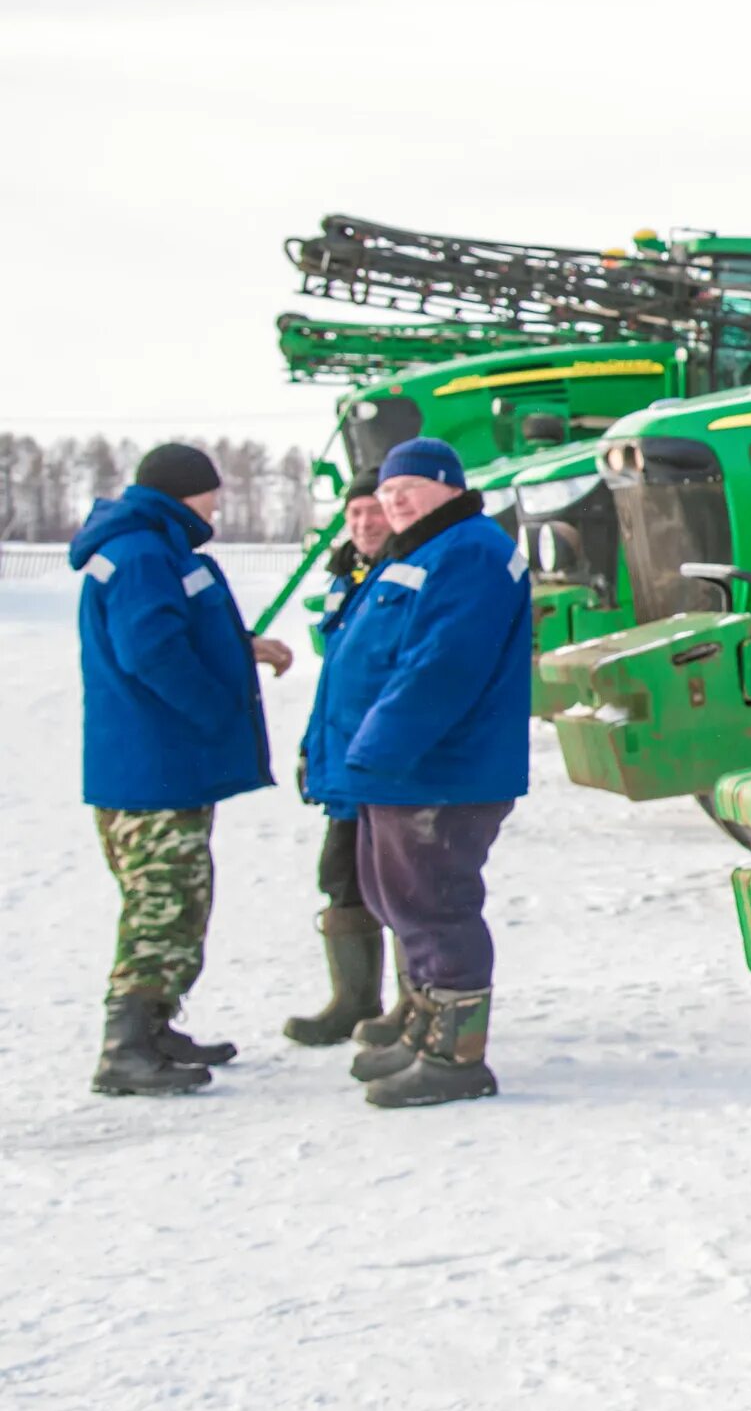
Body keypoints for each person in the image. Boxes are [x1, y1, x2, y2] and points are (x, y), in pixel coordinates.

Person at [306, 437, 530, 1108]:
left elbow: (441, 664)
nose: (394, 498)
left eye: (412, 487)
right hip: (397, 768)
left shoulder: (468, 550)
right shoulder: (424, 550)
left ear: (449, 486)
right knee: (395, 898)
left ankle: (456, 1057)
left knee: (435, 904)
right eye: (388, 489)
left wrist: (379, 746)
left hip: (437, 769)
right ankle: (424, 1030)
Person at [71, 441, 292, 1096]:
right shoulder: (143, 552)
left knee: (179, 896)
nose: (218, 502)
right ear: (184, 491)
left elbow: (174, 632)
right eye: (212, 491)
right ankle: (126, 1047)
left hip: (154, 764)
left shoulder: (152, 546)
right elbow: (153, 650)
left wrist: (239, 649)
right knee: (163, 903)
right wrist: (217, 706)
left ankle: (156, 1025)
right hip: (154, 766)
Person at [284, 470, 392, 1046]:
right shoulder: (347, 578)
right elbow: (336, 681)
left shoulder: (400, 578)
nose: (364, 524)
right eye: (354, 515)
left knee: (400, 887)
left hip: (385, 764)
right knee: (341, 878)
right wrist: (313, 749)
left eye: (374, 511)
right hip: (343, 761)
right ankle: (354, 1001)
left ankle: (418, 1007)